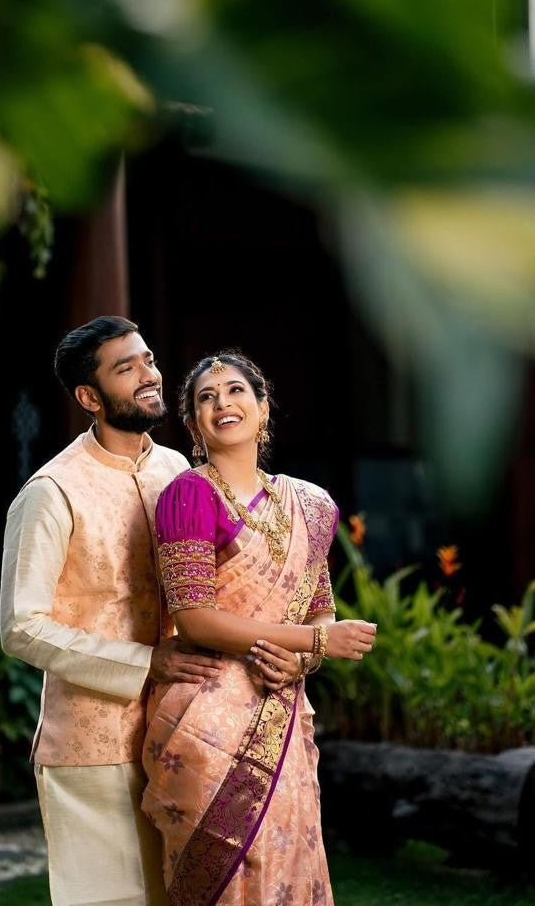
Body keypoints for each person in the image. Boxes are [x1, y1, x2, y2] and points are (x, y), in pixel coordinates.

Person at [0, 316, 222, 906]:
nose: (149, 376)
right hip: (92, 745)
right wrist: (146, 663)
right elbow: (21, 628)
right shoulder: (52, 492)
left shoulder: (178, 471)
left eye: (147, 359)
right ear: (89, 397)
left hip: (185, 728)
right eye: (126, 369)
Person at [142, 351, 377, 906]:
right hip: (204, 723)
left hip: (281, 711)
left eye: (235, 390)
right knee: (220, 877)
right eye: (205, 397)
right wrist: (317, 642)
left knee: (288, 863)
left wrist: (302, 660)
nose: (222, 402)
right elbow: (194, 616)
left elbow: (319, 606)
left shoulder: (311, 505)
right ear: (195, 425)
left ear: (263, 408)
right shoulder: (187, 495)